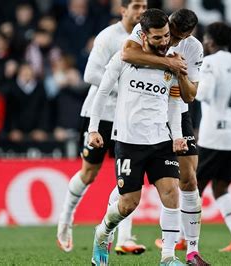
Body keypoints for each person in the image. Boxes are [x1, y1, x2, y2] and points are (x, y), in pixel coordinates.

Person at [88, 9, 187, 266]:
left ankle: (168, 257)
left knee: (171, 193)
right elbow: (102, 92)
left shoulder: (173, 62)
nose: (164, 42)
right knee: (128, 204)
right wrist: (94, 128)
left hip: (160, 140)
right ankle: (103, 233)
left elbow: (175, 104)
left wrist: (177, 135)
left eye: (166, 35)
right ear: (143, 36)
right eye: (157, 38)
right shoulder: (123, 58)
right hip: (129, 141)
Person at [119, 9, 210, 265]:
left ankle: (192, 250)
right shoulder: (152, 31)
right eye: (172, 34)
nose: (172, 41)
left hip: (177, 112)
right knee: (129, 190)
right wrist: (168, 63)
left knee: (189, 180)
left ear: (189, 35)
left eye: (180, 37)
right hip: (145, 114)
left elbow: (190, 95)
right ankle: (114, 230)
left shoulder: (193, 48)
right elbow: (127, 53)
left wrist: (180, 71)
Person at [56, 0, 147, 254]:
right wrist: (125, 88)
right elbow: (90, 74)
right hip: (100, 114)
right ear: (123, 10)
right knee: (89, 173)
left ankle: (125, 238)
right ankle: (65, 220)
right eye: (136, 6)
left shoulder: (148, 38)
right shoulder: (109, 37)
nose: (141, 11)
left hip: (128, 118)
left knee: (128, 177)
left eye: (145, 6)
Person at [195, 21, 231, 252]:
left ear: (210, 41)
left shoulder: (209, 62)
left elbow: (203, 94)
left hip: (215, 134)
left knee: (191, 187)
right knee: (220, 188)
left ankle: (180, 237)